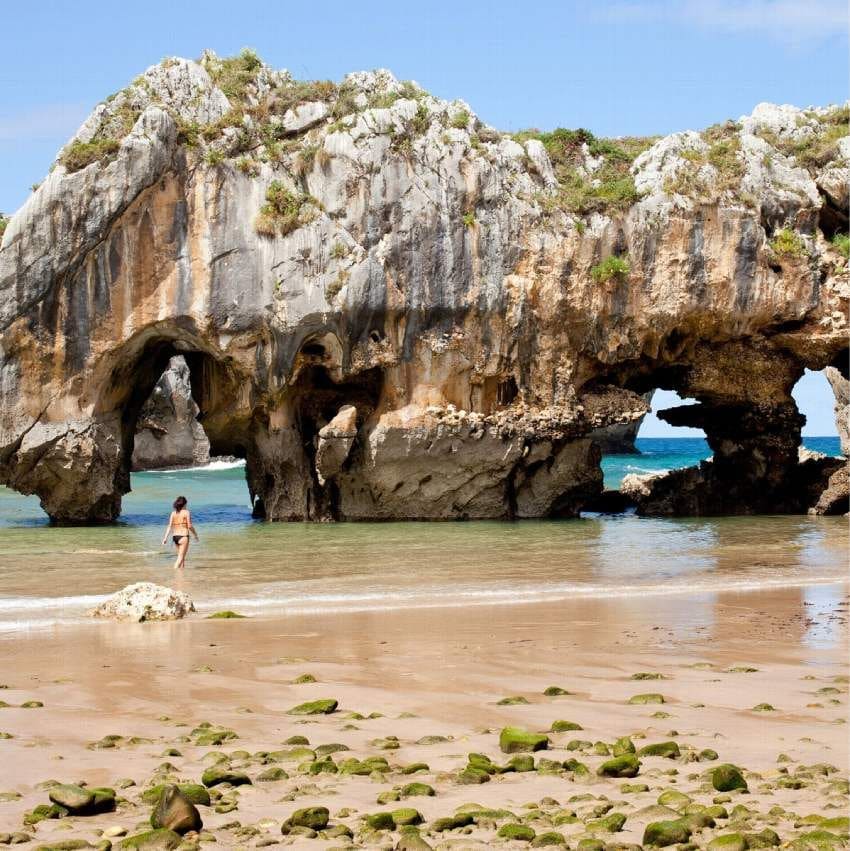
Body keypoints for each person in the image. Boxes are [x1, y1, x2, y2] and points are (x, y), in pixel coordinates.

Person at [162, 496, 199, 569]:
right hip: (183, 536)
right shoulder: (186, 512)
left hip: (175, 537)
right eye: (186, 504)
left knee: (182, 558)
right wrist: (195, 535)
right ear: (184, 504)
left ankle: (181, 576)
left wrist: (165, 538)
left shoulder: (173, 513)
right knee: (180, 558)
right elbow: (190, 526)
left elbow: (169, 526)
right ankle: (174, 574)